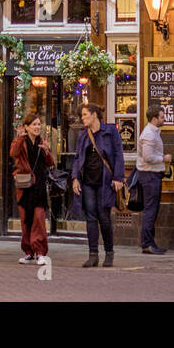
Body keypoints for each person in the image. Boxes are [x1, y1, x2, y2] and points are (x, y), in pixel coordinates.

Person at [71, 102, 125, 267]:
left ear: (94, 114)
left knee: (104, 218)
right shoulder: (83, 134)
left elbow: (118, 155)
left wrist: (118, 177)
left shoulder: (110, 131)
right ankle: (93, 254)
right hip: (87, 182)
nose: (83, 118)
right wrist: (75, 178)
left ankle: (109, 253)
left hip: (104, 182)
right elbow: (78, 157)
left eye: (85, 115)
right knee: (91, 219)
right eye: (82, 116)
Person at [11, 111, 53, 265]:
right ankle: (28, 251)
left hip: (39, 186)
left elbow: (50, 163)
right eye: (34, 124)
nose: (37, 127)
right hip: (25, 187)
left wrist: (47, 150)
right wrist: (20, 137)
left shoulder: (42, 141)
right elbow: (13, 153)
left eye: (38, 124)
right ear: (26, 127)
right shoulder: (20, 141)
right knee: (26, 220)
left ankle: (40, 252)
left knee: (39, 220)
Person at [136, 104, 172, 255]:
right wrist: (164, 158)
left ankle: (150, 242)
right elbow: (148, 157)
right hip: (149, 175)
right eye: (162, 117)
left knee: (152, 209)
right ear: (154, 118)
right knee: (150, 210)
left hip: (152, 174)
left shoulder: (154, 132)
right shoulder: (149, 134)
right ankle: (147, 244)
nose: (164, 119)